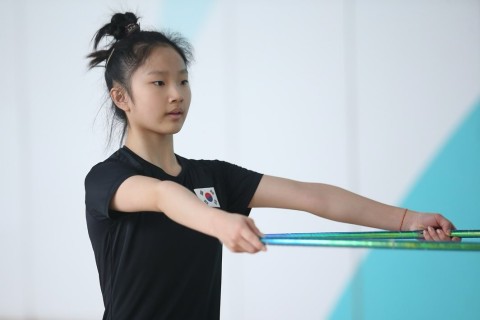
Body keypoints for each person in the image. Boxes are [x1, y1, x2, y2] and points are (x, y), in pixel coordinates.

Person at [85, 12, 458, 320]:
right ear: (122, 97)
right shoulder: (108, 179)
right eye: (159, 82)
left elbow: (313, 197)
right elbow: (162, 194)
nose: (176, 94)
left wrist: (408, 219)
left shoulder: (212, 177)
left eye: (183, 80)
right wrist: (220, 222)